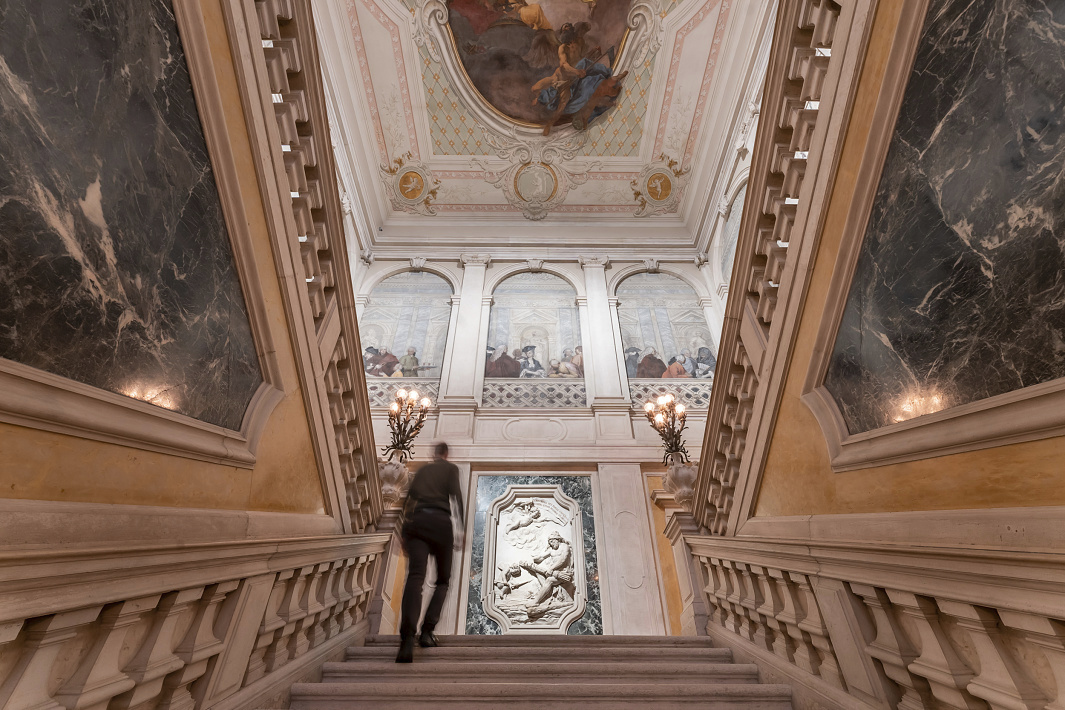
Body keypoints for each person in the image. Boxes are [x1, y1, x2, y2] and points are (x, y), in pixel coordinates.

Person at [397, 442, 464, 663]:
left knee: (415, 577)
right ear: (446, 454)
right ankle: (427, 631)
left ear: (433, 454)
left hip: (417, 522)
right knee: (443, 581)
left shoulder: (423, 470)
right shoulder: (450, 469)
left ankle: (407, 640)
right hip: (440, 523)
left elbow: (408, 501)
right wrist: (460, 528)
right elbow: (456, 498)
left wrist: (405, 532)